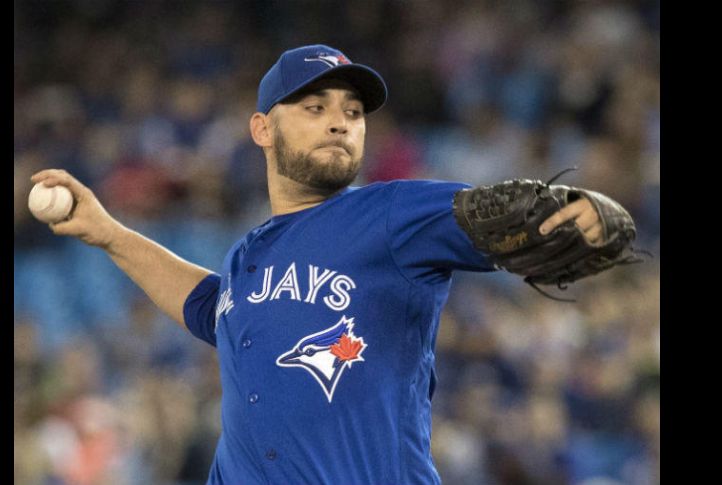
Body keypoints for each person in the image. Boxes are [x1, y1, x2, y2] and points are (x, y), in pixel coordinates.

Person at [31, 44, 610, 485]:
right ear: (262, 129)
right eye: (315, 107)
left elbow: (490, 214)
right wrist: (108, 233)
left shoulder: (391, 214)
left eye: (353, 112)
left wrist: (576, 213)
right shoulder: (248, 255)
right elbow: (212, 307)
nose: (341, 121)